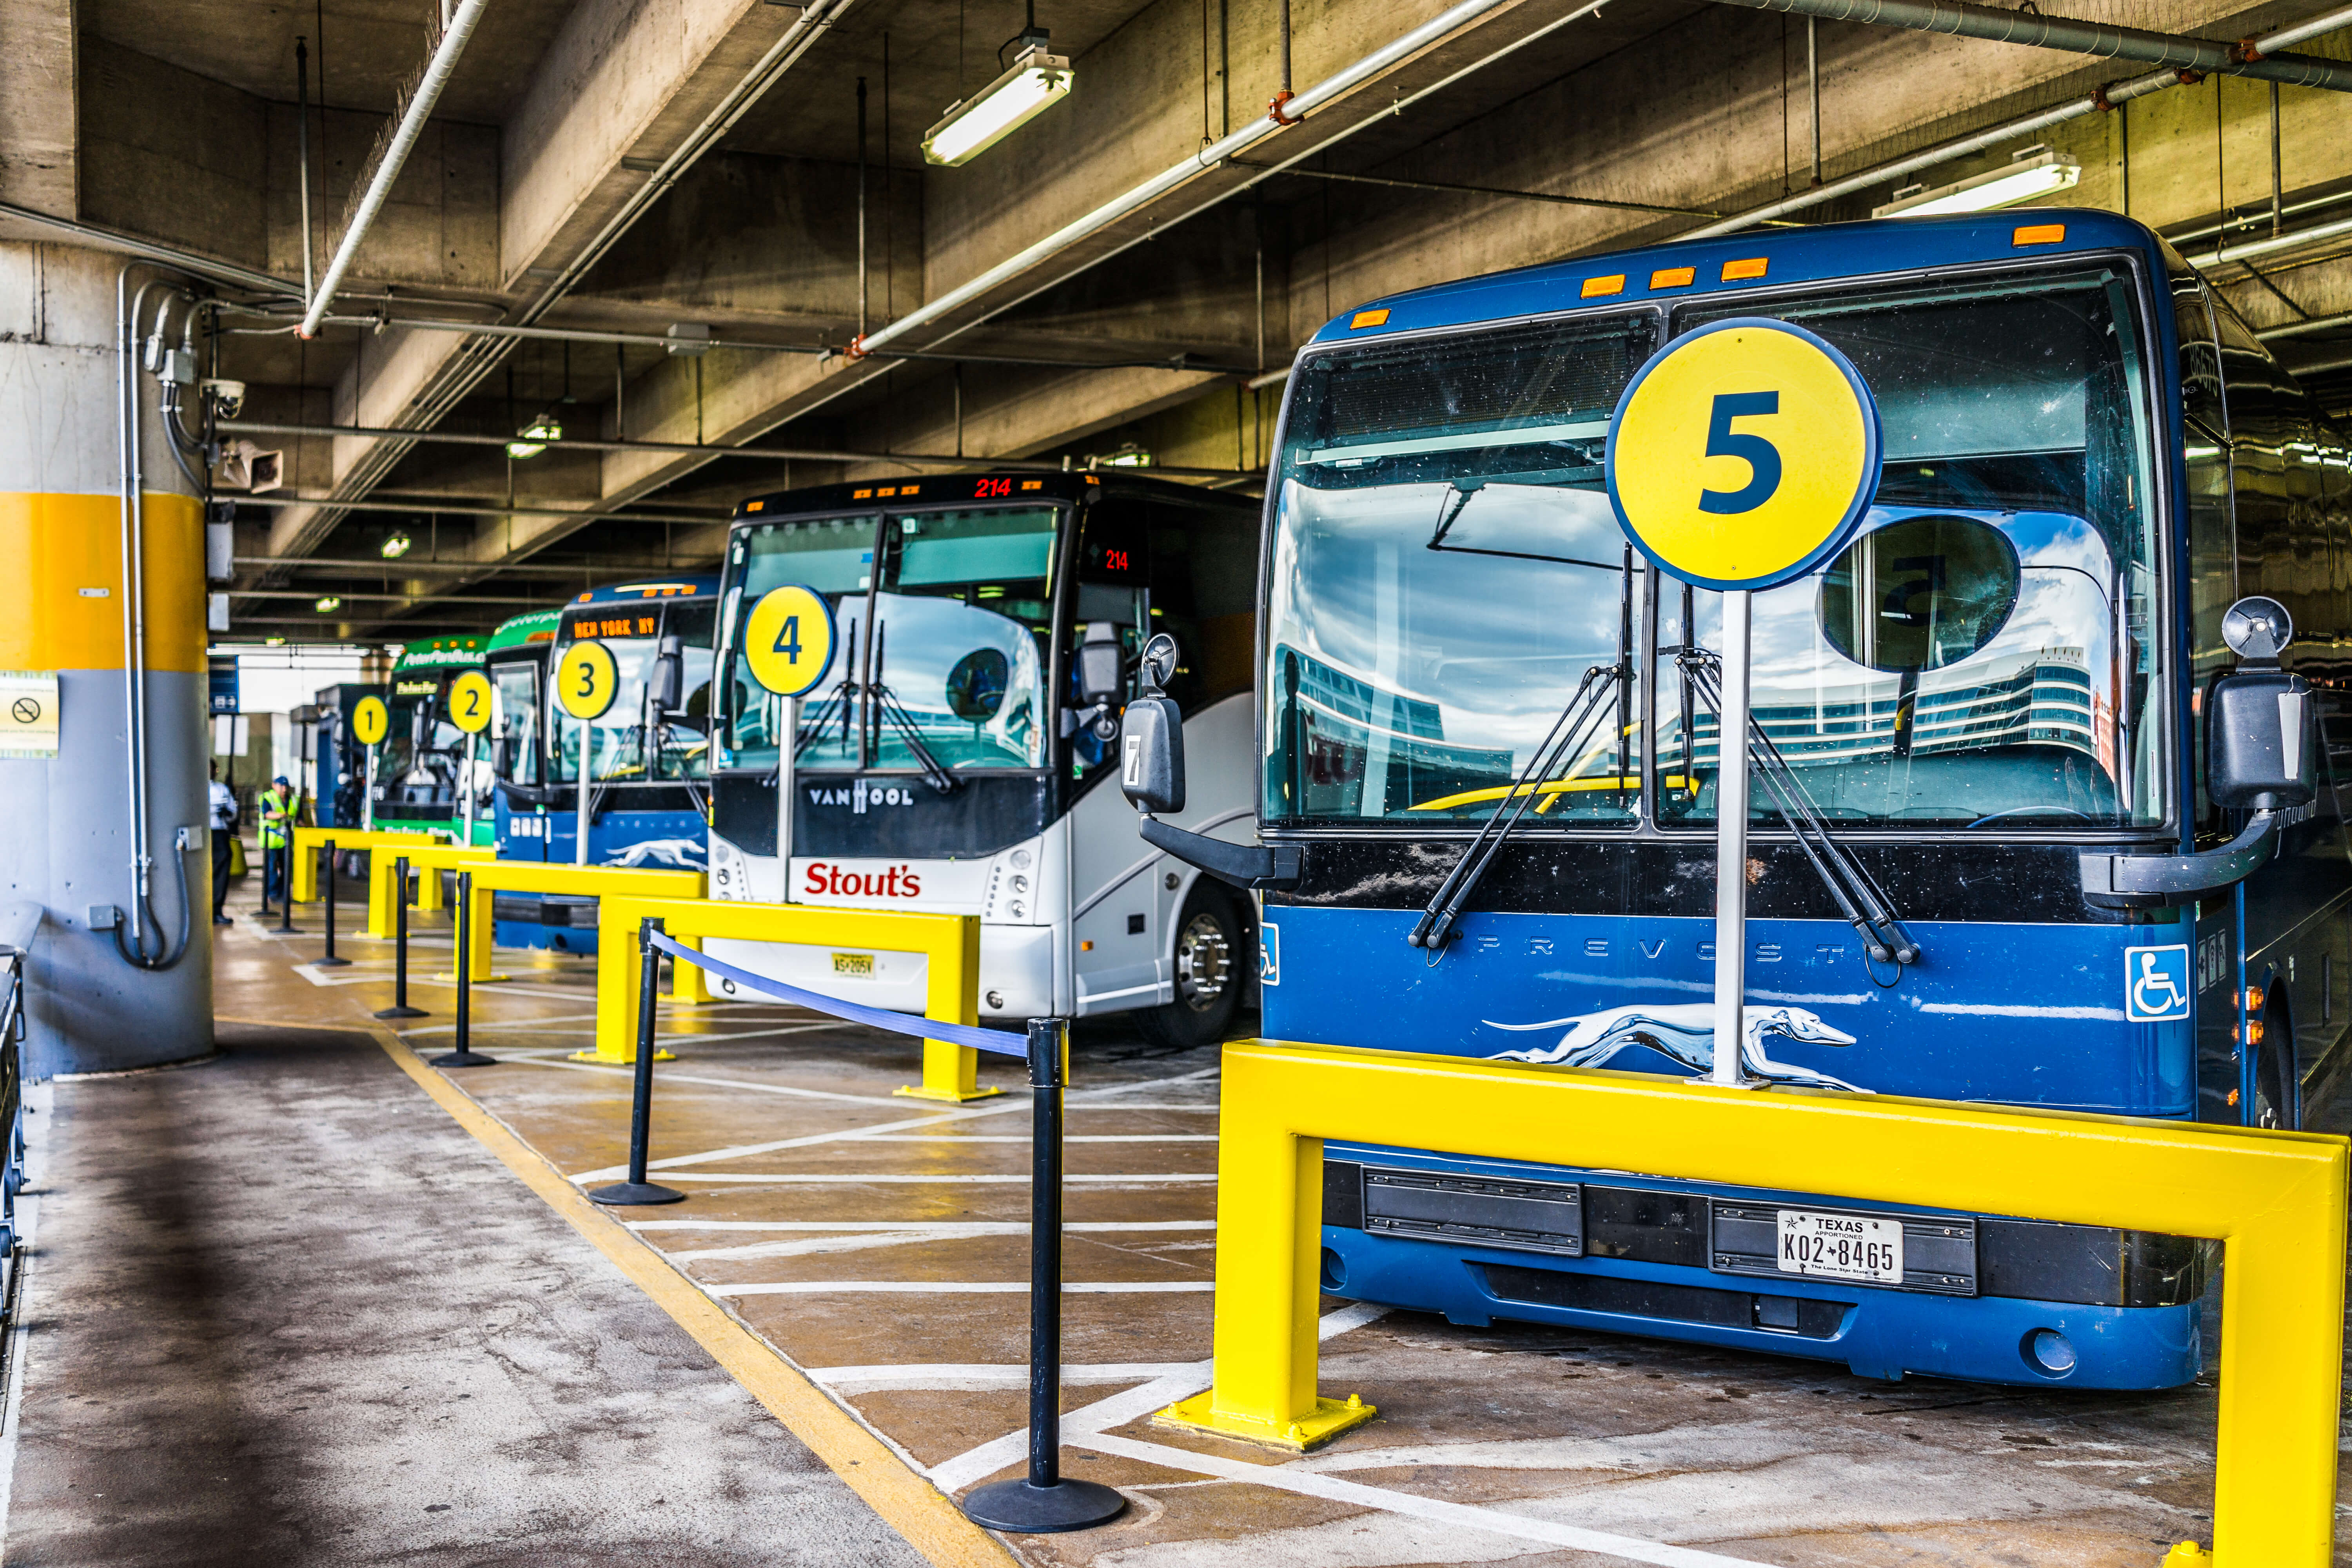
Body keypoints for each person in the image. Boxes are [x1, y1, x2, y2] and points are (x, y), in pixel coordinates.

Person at [259, 775, 297, 913]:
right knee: (272, 869)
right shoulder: (268, 798)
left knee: (287, 868)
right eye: (282, 786)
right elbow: (266, 814)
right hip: (271, 840)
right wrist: (282, 815)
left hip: (286, 841)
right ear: (274, 785)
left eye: (286, 786)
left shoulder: (293, 799)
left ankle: (283, 893)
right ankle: (274, 894)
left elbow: (298, 818)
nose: (284, 789)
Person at [207, 762, 238, 925]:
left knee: (221, 871)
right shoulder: (192, 787)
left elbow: (233, 813)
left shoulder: (222, 790)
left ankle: (216, 909)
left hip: (219, 832)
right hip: (201, 833)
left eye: (212, 769)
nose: (210, 772)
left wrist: (228, 814)